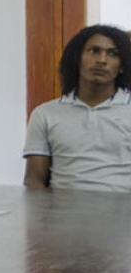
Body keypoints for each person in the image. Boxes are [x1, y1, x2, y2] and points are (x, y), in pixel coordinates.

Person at [23, 25, 131, 192]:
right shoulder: (45, 114)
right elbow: (34, 180)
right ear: (77, 58)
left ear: (122, 65)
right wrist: (42, 217)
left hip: (123, 213)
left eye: (112, 54)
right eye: (94, 51)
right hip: (62, 214)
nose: (102, 60)